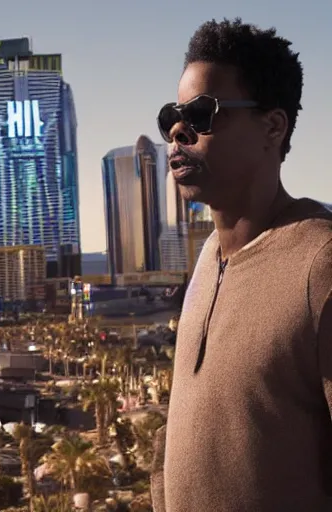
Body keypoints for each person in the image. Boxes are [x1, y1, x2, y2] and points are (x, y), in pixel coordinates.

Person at [155, 19, 332, 511]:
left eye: (201, 113)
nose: (177, 129)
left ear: (272, 127)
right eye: (171, 114)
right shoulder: (208, 256)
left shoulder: (321, 264)